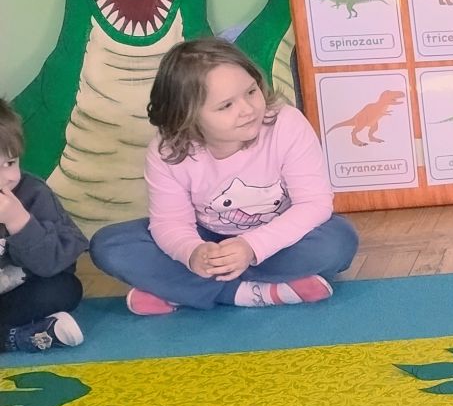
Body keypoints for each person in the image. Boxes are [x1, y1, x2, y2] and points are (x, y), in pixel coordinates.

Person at [89, 39, 359, 314]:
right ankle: (250, 293)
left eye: (251, 91)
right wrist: (193, 253)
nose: (248, 109)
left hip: (276, 239)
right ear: (186, 117)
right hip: (206, 240)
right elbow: (170, 222)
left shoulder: (286, 124)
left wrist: (251, 247)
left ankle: (181, 289)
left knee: (338, 241)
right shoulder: (167, 150)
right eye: (226, 105)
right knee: (109, 246)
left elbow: (314, 204)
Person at [0, 95, 87, 351]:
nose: (5, 177)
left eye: (9, 163)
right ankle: (19, 338)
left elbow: (54, 265)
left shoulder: (34, 194)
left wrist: (19, 222)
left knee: (64, 289)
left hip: (18, 294)